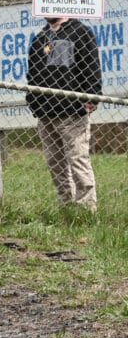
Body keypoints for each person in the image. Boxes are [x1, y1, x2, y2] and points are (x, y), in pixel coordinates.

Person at [26, 16, 101, 211]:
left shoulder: (80, 32)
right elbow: (32, 73)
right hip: (45, 112)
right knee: (54, 162)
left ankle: (86, 209)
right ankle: (66, 206)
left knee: (77, 158)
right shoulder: (41, 37)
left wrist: (92, 97)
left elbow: (91, 66)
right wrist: (33, 102)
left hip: (71, 111)